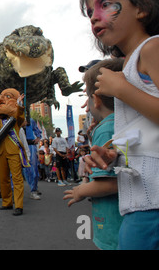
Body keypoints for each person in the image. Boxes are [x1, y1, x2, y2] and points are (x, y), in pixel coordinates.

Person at [80, 0, 159, 249]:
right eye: (90, 12)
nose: (94, 16)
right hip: (140, 202)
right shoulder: (130, 65)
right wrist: (113, 156)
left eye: (106, 4)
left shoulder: (152, 48)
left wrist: (121, 89)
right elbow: (149, 135)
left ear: (141, 8)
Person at [63, 58, 124, 250]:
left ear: (95, 100)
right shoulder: (120, 123)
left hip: (113, 225)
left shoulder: (105, 129)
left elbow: (108, 183)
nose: (86, 107)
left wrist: (80, 191)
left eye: (87, 99)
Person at [0, 88, 27, 216]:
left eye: (6, 96)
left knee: (17, 179)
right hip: (0, 151)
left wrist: (19, 104)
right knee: (3, 179)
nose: (0, 99)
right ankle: (7, 202)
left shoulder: (16, 119)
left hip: (13, 151)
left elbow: (20, 115)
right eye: (0, 96)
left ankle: (18, 205)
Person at [23, 118, 42, 200]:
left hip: (30, 146)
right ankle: (12, 193)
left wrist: (38, 137)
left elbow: (36, 129)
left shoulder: (30, 120)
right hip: (19, 146)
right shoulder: (14, 119)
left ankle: (33, 189)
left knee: (32, 169)